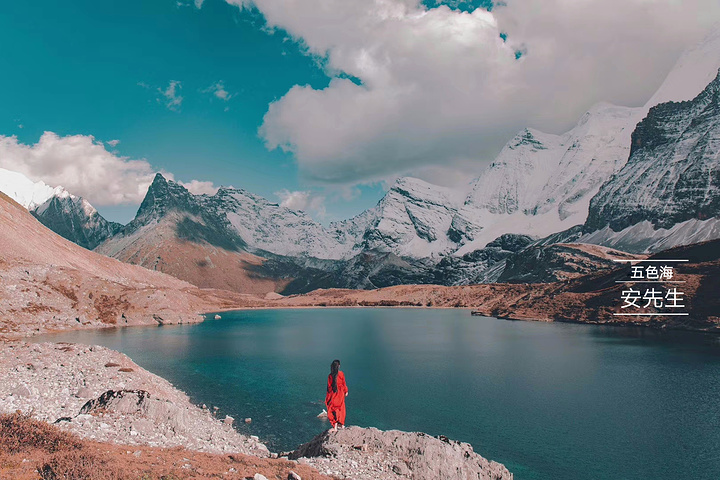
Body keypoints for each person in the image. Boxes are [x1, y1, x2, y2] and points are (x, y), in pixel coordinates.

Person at [325, 359, 348, 431]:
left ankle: (334, 424)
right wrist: (346, 391)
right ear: (339, 366)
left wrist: (328, 396)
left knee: (332, 408)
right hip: (340, 394)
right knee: (341, 408)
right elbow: (344, 383)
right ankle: (341, 424)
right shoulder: (341, 374)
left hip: (333, 394)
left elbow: (329, 387)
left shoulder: (330, 376)